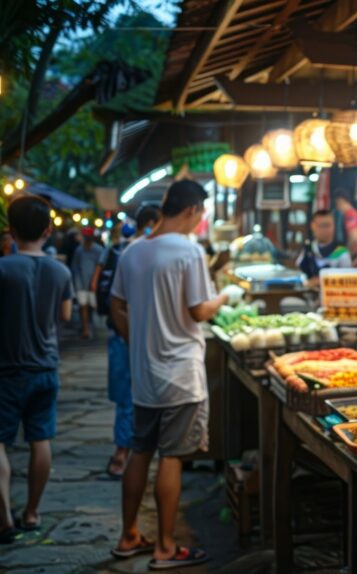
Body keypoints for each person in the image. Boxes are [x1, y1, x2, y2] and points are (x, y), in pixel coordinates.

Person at [110, 180, 227, 569]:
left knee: (139, 452)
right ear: (193, 210)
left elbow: (116, 307)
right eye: (201, 214)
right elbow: (198, 311)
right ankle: (164, 547)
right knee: (172, 457)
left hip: (145, 375)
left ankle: (128, 536)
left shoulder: (132, 252)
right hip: (179, 373)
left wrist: (139, 343)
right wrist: (225, 297)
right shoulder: (188, 251)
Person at [0, 195, 73, 543]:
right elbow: (65, 316)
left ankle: (4, 516)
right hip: (45, 367)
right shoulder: (61, 270)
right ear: (48, 230)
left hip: (6, 369)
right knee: (40, 438)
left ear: (11, 230)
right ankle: (32, 512)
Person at [92, 204, 162, 479]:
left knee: (129, 397)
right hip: (133, 337)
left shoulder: (126, 252)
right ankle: (125, 452)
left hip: (125, 336)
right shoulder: (140, 254)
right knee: (132, 398)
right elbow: (116, 303)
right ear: (153, 224)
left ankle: (128, 451)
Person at [297, 209, 353, 286]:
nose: (324, 229)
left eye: (327, 225)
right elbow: (299, 272)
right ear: (313, 226)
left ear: (333, 226)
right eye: (320, 226)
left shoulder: (341, 252)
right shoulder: (308, 248)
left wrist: (322, 280)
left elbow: (347, 280)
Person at [70, 228, 104, 339]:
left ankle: (93, 327)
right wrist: (76, 283)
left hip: (94, 284)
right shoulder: (79, 250)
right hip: (81, 282)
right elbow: (75, 267)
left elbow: (101, 266)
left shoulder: (99, 250)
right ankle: (86, 329)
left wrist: (95, 281)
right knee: (83, 306)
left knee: (93, 306)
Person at [332, 189, 357, 257]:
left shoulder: (351, 215)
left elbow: (354, 239)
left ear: (340, 201)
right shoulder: (348, 214)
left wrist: (342, 255)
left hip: (353, 255)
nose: (336, 207)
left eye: (336, 203)